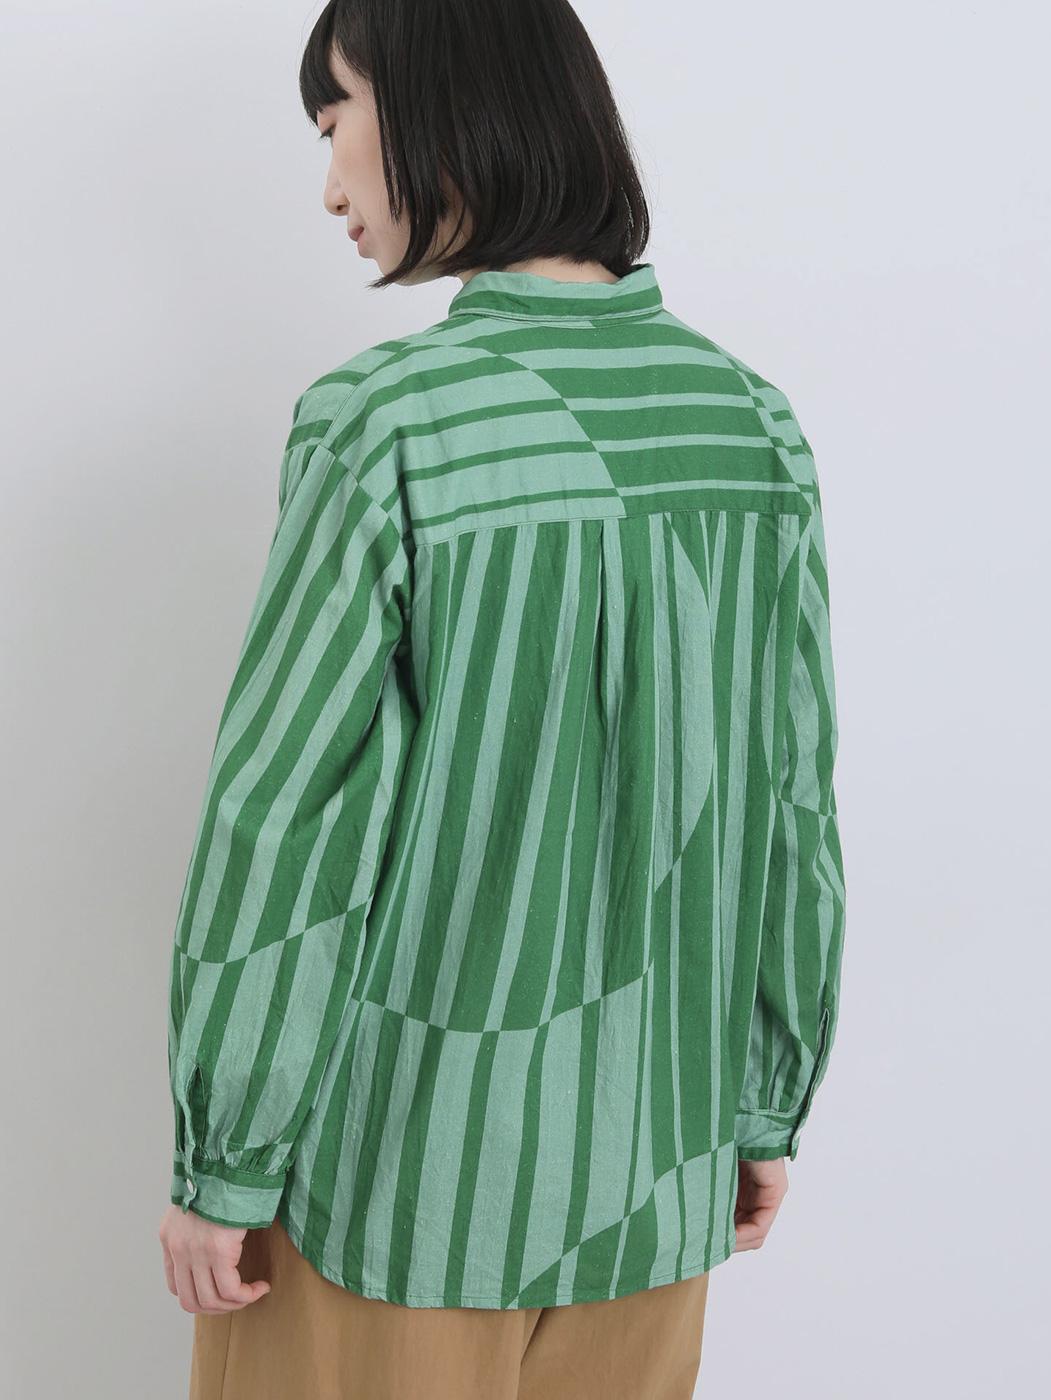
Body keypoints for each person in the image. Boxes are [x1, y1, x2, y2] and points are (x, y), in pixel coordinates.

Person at [157, 1, 847, 1396]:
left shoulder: (388, 422)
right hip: (657, 1173)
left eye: (336, 120)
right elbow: (790, 799)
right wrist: (764, 1101)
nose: (330, 183)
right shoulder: (752, 424)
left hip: (394, 1194)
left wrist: (224, 1158)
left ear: (438, 107)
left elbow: (284, 821)